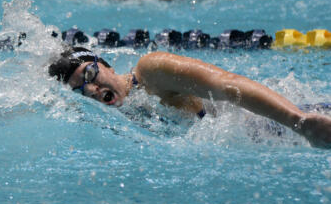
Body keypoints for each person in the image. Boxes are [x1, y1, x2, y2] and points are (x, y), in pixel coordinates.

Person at [48, 47, 331, 148]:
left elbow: (229, 84)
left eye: (89, 75)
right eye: (80, 89)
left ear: (105, 64)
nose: (92, 90)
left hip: (282, 123)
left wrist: (299, 122)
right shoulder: (114, 117)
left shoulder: (151, 72)